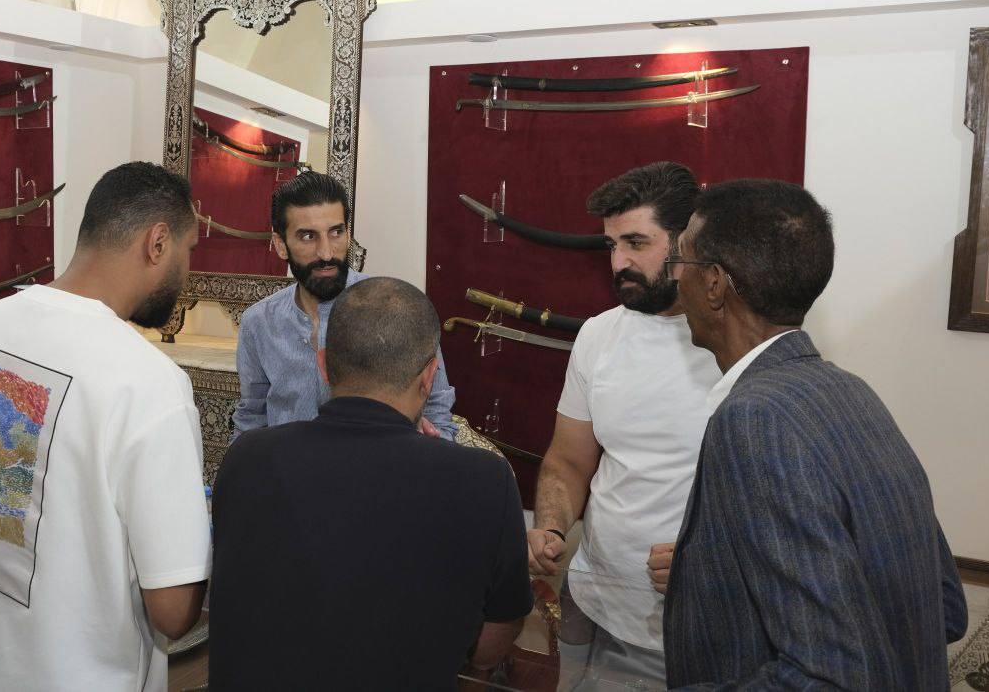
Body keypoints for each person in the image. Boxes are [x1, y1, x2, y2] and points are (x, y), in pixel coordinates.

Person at [0, 162, 212, 692]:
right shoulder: (150, 385)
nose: (187, 273)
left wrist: (6, 502)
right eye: (188, 251)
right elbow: (172, 611)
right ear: (157, 242)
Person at [663, 178, 967, 688]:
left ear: (715, 283)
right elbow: (945, 609)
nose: (675, 278)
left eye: (682, 260)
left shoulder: (754, 420)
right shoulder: (851, 392)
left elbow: (829, 676)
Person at [210, 277, 532, 690]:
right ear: (428, 376)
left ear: (323, 366)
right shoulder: (484, 480)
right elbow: (490, 646)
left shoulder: (247, 459)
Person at [525, 162, 720, 689]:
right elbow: (569, 460)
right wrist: (551, 526)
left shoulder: (736, 346)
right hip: (589, 590)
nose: (618, 263)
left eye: (636, 243)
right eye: (611, 245)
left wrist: (712, 559)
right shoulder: (597, 335)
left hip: (680, 618)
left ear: (688, 241)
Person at [231, 171, 457, 439]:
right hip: (287, 465)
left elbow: (439, 416)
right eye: (308, 236)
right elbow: (250, 422)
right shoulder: (258, 323)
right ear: (281, 244)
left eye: (336, 232)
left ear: (348, 233)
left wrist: (425, 442)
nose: (326, 253)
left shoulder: (397, 308)